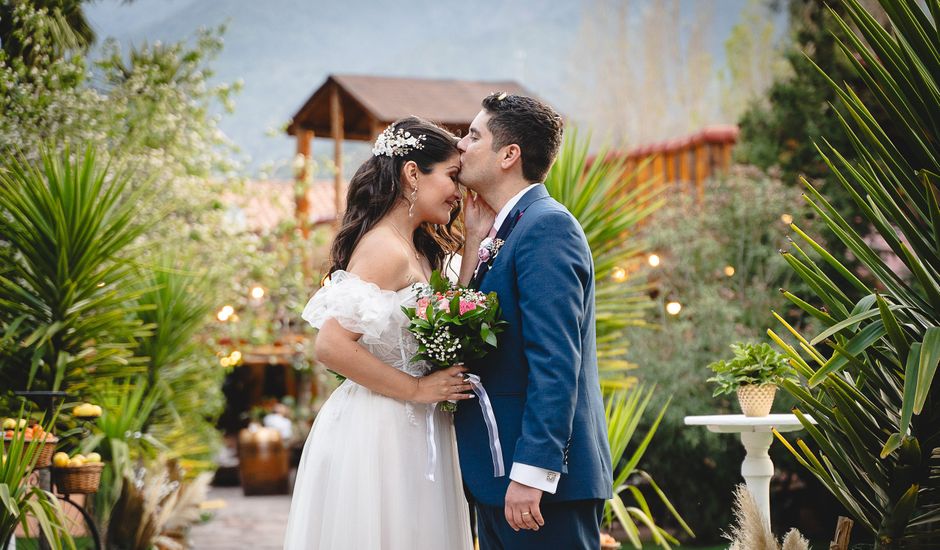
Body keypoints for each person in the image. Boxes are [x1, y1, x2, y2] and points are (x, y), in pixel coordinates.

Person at [283, 116, 478, 550]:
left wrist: (476, 238)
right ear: (413, 173)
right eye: (451, 177)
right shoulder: (383, 248)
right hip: (380, 428)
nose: (459, 193)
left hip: (417, 425)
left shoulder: (416, 246)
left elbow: (453, 306)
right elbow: (331, 345)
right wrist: (415, 389)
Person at [454, 93, 613, 549]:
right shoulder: (506, 228)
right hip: (499, 477)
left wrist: (532, 473)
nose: (461, 145)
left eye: (473, 135)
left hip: (539, 488)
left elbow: (556, 360)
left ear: (509, 154)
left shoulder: (547, 227)